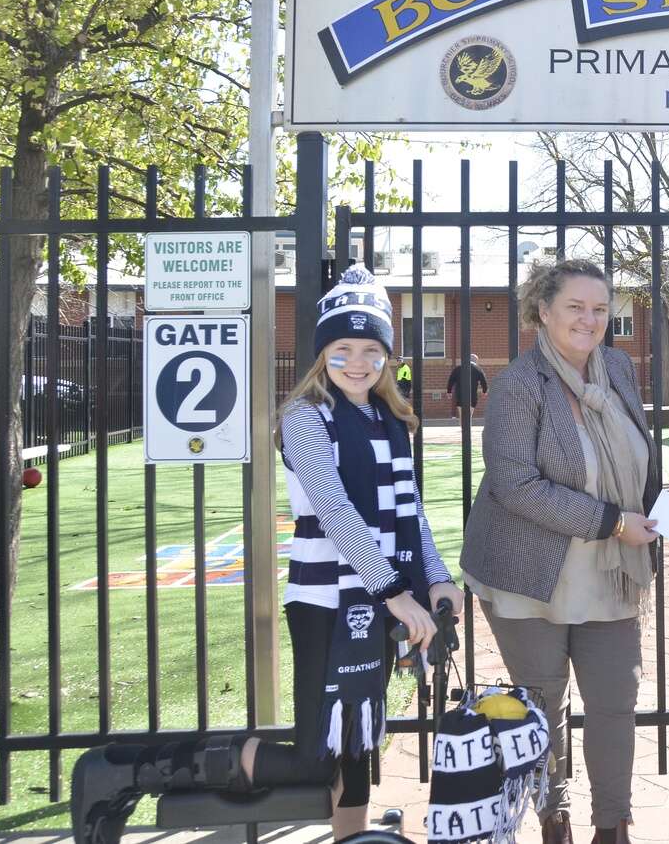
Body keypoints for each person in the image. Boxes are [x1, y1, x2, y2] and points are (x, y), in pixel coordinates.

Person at [70, 264, 462, 844]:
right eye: (343, 348)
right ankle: (130, 769)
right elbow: (334, 513)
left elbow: (412, 512)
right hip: (325, 602)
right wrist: (397, 594)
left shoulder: (390, 419)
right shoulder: (306, 417)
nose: (358, 362)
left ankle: (349, 839)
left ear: (387, 355)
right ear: (320, 353)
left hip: (382, 600)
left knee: (356, 741)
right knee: (312, 755)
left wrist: (437, 579)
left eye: (371, 349)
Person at [459, 259, 660, 844]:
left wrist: (667, 503)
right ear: (543, 312)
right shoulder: (521, 383)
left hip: (611, 573)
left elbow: (632, 457)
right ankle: (554, 813)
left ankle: (612, 825)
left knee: (614, 700)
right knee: (544, 702)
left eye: (600, 308)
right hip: (529, 571)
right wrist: (610, 521)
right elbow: (514, 484)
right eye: (575, 307)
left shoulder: (618, 367)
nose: (589, 319)